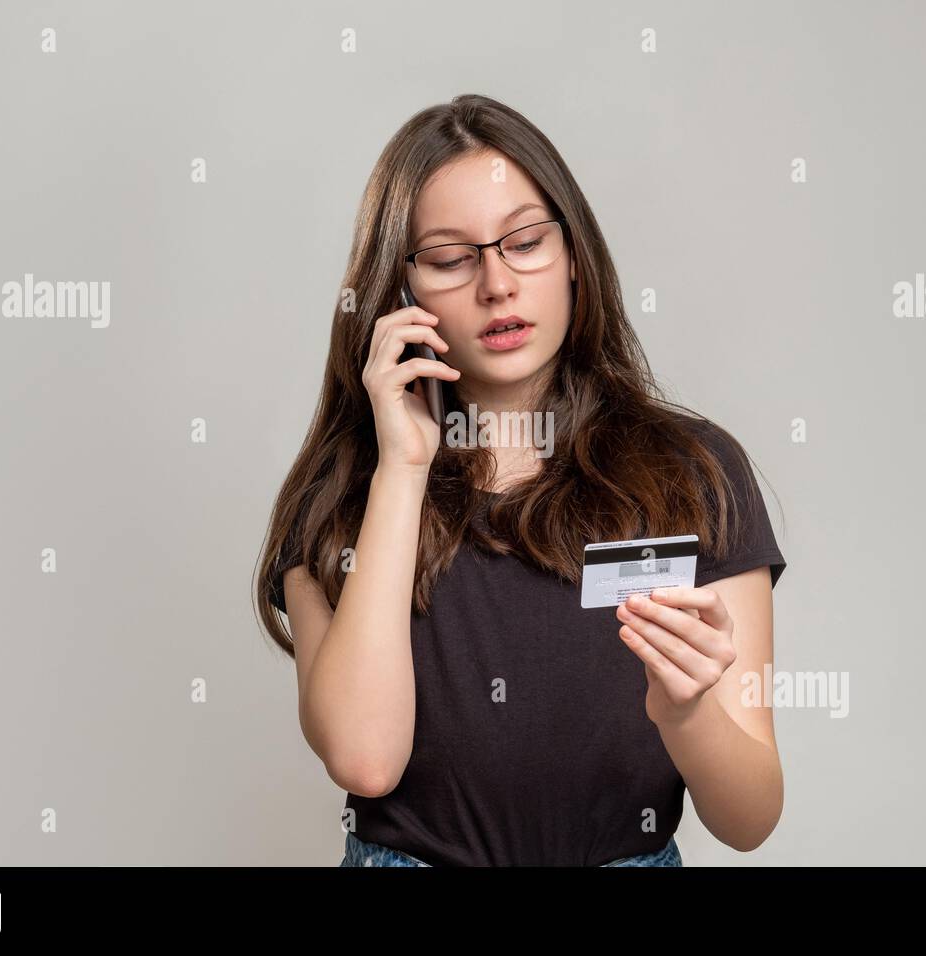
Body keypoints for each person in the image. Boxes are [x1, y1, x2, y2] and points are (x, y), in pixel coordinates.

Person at [257, 94, 788, 867]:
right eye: (449, 258)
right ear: (400, 292)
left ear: (574, 255)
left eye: (525, 243)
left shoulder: (692, 472)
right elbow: (365, 760)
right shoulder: (341, 492)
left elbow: (750, 819)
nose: (496, 284)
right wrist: (402, 470)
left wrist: (688, 710)